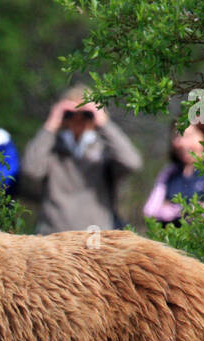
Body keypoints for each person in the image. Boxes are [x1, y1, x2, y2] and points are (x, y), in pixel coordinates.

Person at [20, 88, 142, 234]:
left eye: (86, 114)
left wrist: (103, 123)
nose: (78, 119)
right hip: (54, 240)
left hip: (95, 239)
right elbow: (31, 169)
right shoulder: (52, 150)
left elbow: (131, 162)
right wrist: (51, 125)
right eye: (71, 114)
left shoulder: (105, 151)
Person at [143, 121, 204, 227]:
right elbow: (150, 211)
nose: (181, 143)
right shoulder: (169, 173)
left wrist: (173, 210)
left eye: (188, 136)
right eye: (177, 137)